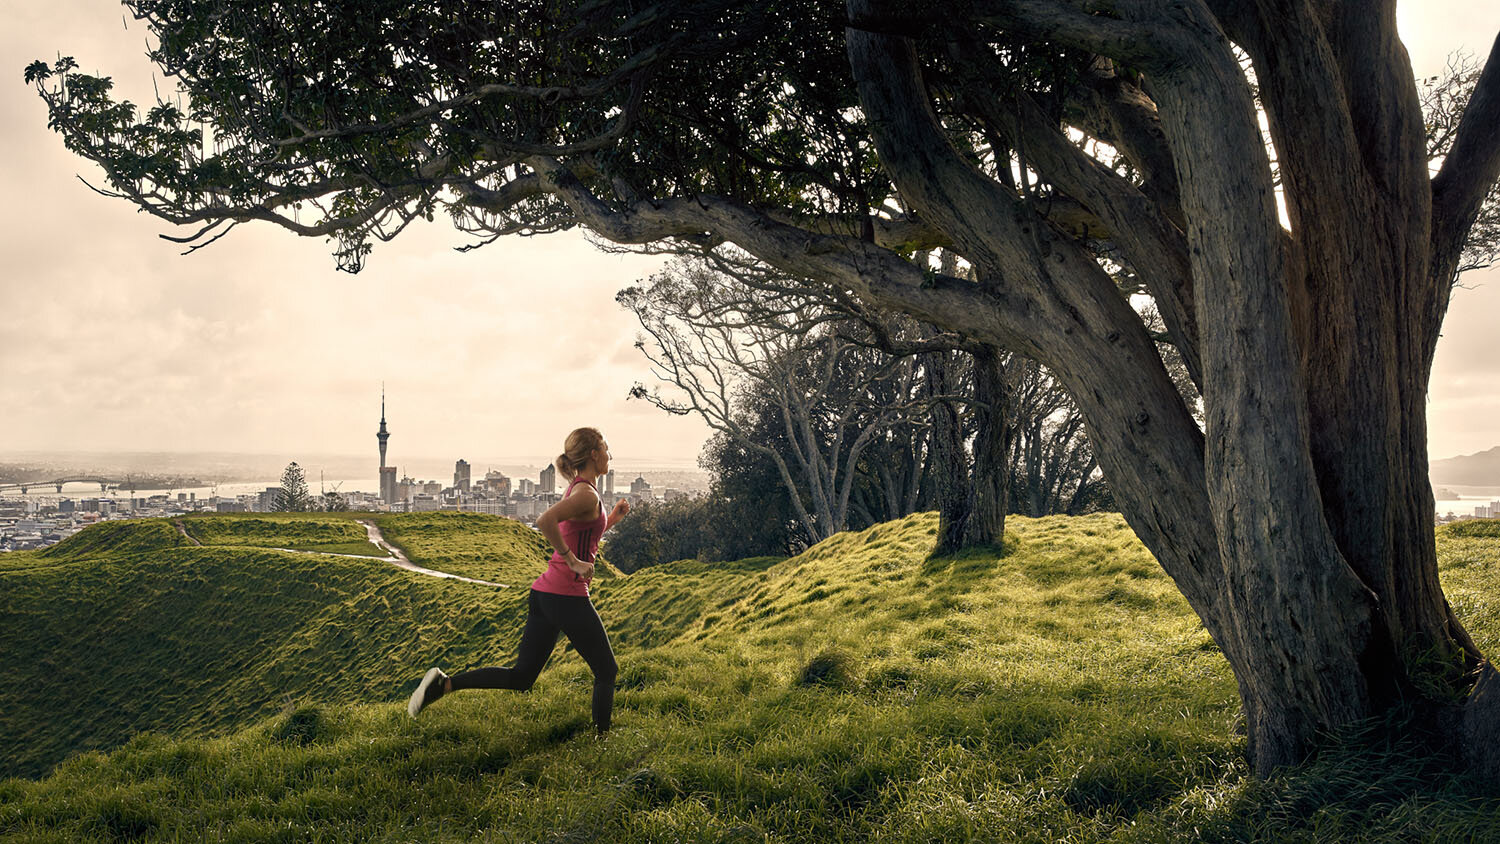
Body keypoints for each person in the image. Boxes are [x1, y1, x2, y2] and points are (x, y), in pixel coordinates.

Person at [406, 427, 630, 732]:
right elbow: (545, 521)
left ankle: (444, 685)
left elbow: (582, 537)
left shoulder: (582, 489)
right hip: (566, 596)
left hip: (546, 595)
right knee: (607, 670)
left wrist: (612, 519)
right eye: (605, 448)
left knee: (522, 677)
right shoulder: (586, 494)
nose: (609, 454)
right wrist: (573, 561)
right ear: (593, 454)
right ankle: (601, 743)